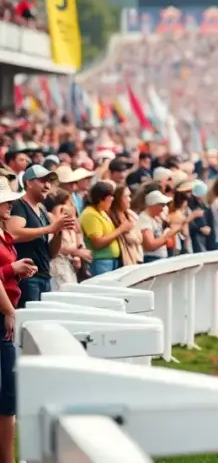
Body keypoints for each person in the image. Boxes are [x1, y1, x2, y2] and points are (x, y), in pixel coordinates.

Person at [0, 175, 36, 463]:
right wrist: (9, 312)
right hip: (3, 315)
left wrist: (15, 270)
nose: (10, 202)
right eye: (5, 199)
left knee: (8, 395)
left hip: (7, 310)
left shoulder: (3, 232)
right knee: (6, 395)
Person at [8, 165, 74, 306]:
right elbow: (13, 233)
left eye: (49, 181)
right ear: (29, 183)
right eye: (43, 181)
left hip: (44, 276)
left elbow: (50, 253)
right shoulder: (19, 205)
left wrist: (59, 232)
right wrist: (50, 228)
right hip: (28, 278)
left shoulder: (42, 209)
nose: (47, 185)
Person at [80, 181, 131, 276]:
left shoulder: (102, 212)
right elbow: (97, 242)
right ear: (101, 199)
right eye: (110, 198)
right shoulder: (90, 214)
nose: (112, 200)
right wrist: (121, 229)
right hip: (101, 262)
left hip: (111, 260)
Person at [43, 189, 90, 290]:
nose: (72, 205)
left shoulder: (71, 219)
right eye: (69, 202)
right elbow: (55, 246)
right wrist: (76, 251)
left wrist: (77, 253)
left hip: (70, 266)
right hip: (58, 267)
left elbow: (78, 233)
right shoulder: (51, 220)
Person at [138, 189, 180, 262]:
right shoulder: (144, 219)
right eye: (162, 205)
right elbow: (150, 245)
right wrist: (167, 236)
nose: (163, 208)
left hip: (160, 257)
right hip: (151, 258)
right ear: (153, 205)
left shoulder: (157, 217)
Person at [110, 184, 143, 267]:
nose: (129, 199)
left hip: (136, 257)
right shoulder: (112, 216)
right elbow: (131, 238)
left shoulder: (131, 215)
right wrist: (124, 229)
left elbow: (139, 238)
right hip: (123, 259)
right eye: (126, 197)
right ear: (118, 199)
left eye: (129, 196)